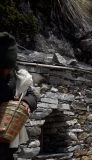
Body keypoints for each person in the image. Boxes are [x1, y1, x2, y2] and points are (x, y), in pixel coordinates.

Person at [0, 32, 37, 160]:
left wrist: (26, 102)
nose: (6, 71)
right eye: (2, 67)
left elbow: (32, 95)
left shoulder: (18, 76)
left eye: (9, 67)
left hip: (7, 141)